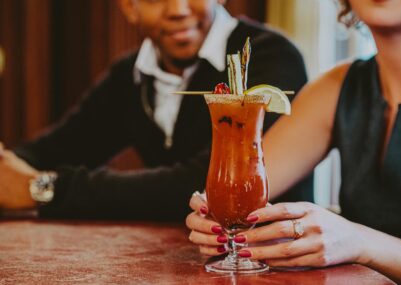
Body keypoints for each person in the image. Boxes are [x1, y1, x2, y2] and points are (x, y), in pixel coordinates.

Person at [186, 0, 401, 283]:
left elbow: (357, 242)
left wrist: (360, 241)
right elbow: (243, 186)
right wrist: (211, 216)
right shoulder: (338, 86)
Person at [0, 0, 312, 220]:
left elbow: (200, 185)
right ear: (129, 7)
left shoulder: (269, 57)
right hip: (174, 261)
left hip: (271, 262)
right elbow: (59, 148)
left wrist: (47, 189)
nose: (177, 9)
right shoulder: (129, 75)